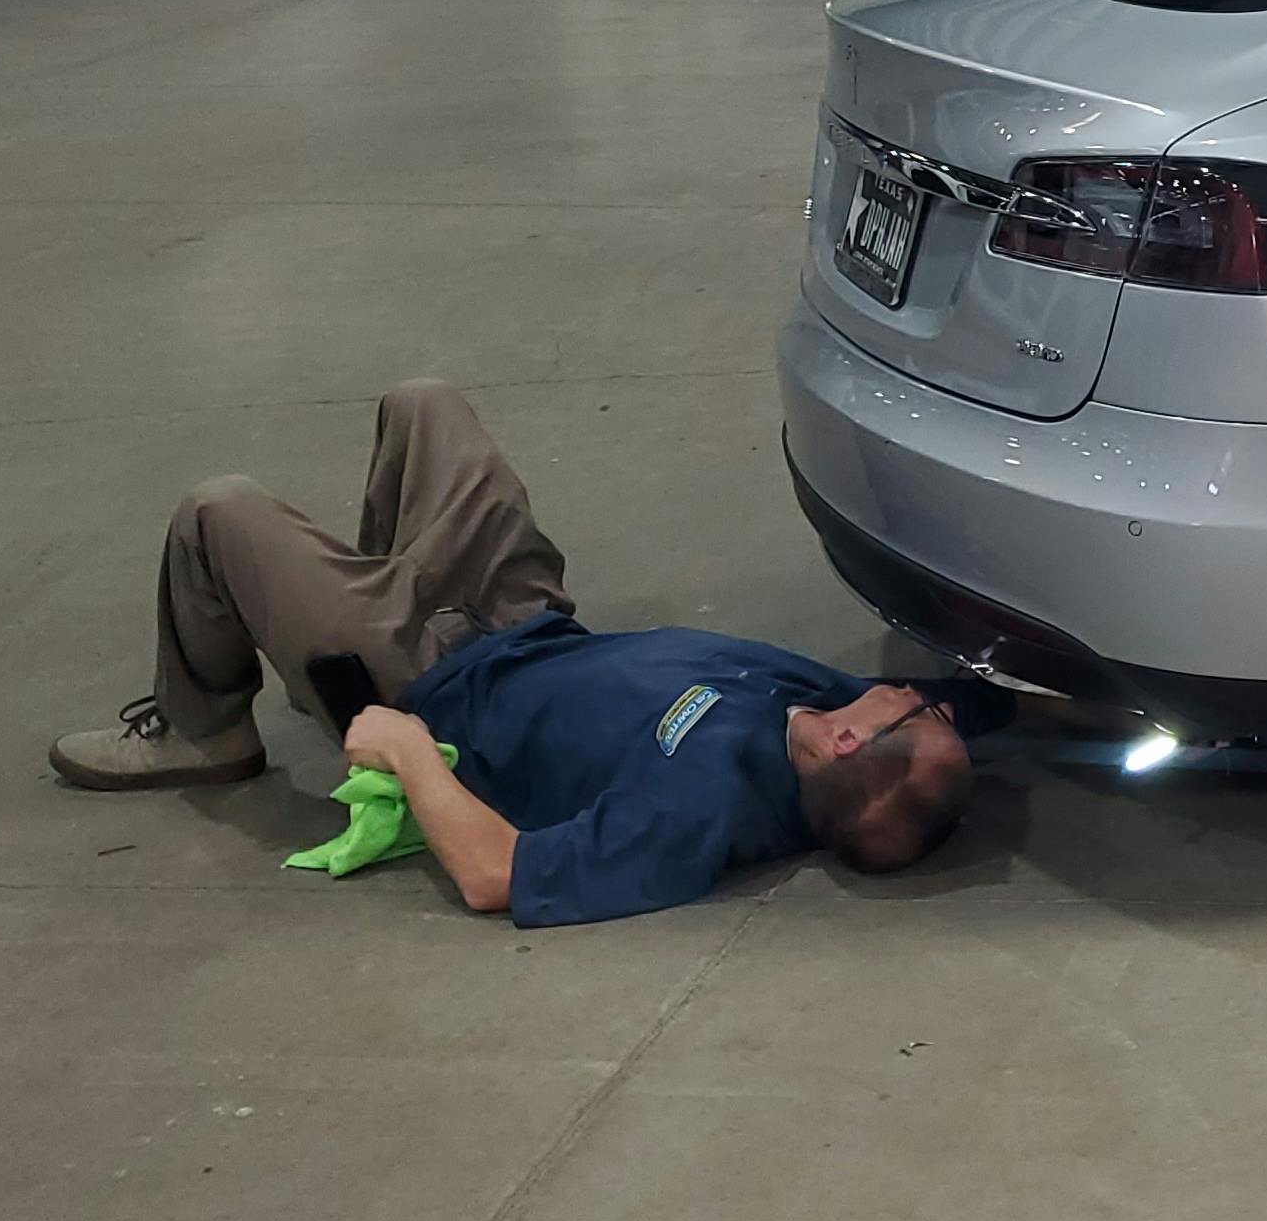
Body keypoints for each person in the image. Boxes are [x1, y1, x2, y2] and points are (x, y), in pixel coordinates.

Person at [49, 380, 977, 927]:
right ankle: (378, 569)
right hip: (520, 617)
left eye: (909, 709)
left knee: (220, 509)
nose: (901, 687)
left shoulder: (696, 810)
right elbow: (992, 704)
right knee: (426, 404)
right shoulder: (822, 709)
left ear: (851, 747)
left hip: (417, 677)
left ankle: (198, 729)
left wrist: (408, 751)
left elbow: (499, 876)